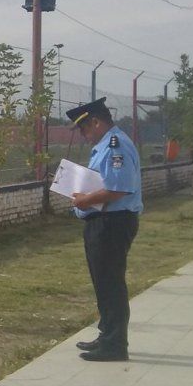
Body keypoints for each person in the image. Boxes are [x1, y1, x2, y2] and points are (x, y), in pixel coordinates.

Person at [65, 97, 143, 362]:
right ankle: (107, 334)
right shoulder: (105, 145)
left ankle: (115, 345)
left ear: (97, 122)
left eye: (85, 129)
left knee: (110, 283)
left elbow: (118, 189)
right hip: (103, 222)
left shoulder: (114, 145)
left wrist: (83, 200)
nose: (85, 136)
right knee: (103, 282)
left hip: (113, 223)